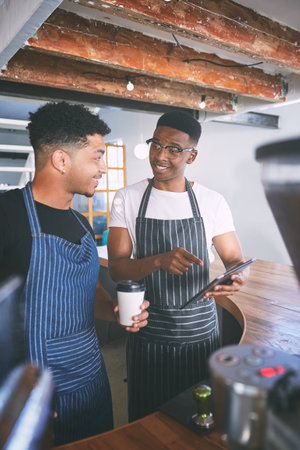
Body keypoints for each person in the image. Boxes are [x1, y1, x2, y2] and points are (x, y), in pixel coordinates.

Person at [0, 101, 149, 445]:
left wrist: (114, 310)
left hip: (92, 378)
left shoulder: (81, 223)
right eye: (96, 156)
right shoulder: (7, 216)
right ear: (61, 160)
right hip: (37, 390)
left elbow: (88, 292)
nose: (103, 168)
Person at [107, 110, 249, 421]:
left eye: (173, 149)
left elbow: (236, 260)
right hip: (148, 332)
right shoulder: (127, 198)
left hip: (199, 334)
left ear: (192, 155)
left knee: (198, 419)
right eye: (155, 144)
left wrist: (237, 275)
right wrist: (157, 260)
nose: (160, 156)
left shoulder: (212, 202)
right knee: (147, 421)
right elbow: (117, 268)